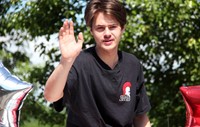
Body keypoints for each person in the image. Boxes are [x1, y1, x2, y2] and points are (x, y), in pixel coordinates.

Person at [44, 0, 151, 126]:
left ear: (122, 28)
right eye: (100, 28)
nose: (107, 34)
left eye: (112, 27)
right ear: (91, 31)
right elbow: (51, 96)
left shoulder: (132, 64)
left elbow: (140, 116)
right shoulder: (79, 62)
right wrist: (65, 61)